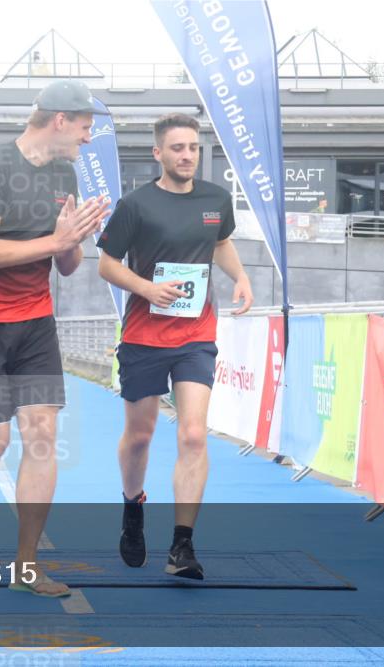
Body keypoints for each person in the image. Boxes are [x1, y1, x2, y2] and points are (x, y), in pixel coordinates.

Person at [0, 79, 109, 598]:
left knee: (42, 435)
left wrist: (73, 241)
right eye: (85, 127)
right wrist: (56, 239)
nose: (88, 138)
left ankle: (27, 565)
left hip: (34, 323)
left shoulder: (65, 174)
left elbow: (67, 264)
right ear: (60, 119)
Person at [96, 113, 253, 579]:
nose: (187, 156)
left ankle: (182, 546)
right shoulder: (135, 205)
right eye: (177, 148)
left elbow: (220, 243)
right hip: (144, 336)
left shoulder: (216, 199)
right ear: (158, 153)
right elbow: (107, 264)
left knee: (193, 434)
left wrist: (241, 276)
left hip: (195, 335)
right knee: (140, 435)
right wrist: (146, 288)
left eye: (193, 148)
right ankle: (132, 506)